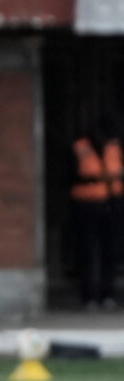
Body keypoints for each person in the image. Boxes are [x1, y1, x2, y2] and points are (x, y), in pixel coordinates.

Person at [70, 123, 118, 310]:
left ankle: (108, 295)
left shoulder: (114, 148)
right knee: (88, 252)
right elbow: (69, 175)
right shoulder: (79, 147)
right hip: (85, 206)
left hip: (112, 205)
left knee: (110, 252)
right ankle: (89, 296)